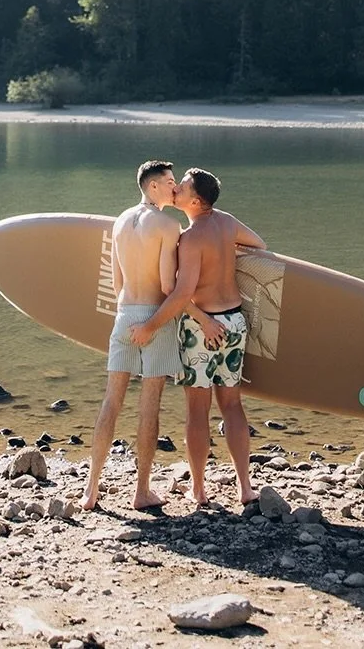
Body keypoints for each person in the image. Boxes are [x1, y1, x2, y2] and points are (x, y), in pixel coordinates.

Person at [130, 166, 265, 508]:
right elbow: (259, 245)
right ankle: (245, 488)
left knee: (197, 410)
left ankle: (200, 490)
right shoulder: (227, 222)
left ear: (197, 200)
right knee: (232, 405)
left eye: (183, 187)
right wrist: (225, 254)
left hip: (203, 330)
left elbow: (180, 295)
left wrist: (149, 327)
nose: (176, 191)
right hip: (235, 323)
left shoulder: (190, 239)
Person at [80, 159, 184, 511]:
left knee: (111, 401)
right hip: (154, 318)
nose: (175, 187)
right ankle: (141, 491)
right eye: (170, 181)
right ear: (153, 186)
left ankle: (91, 489)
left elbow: (116, 283)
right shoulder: (169, 226)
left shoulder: (120, 221)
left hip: (123, 317)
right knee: (148, 406)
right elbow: (169, 285)